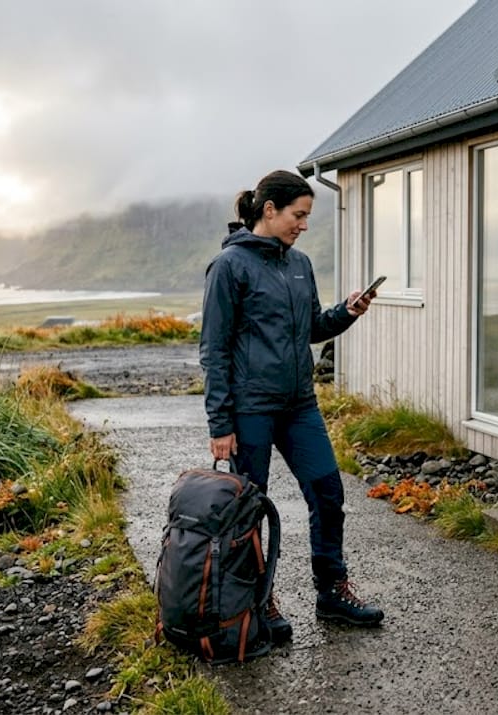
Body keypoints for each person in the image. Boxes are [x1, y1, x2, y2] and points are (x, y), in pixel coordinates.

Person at [199, 169, 384, 642]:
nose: (303, 225)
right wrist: (220, 423)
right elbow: (214, 349)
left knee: (328, 492)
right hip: (251, 408)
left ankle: (332, 591)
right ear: (269, 210)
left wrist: (346, 312)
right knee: (250, 508)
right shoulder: (229, 267)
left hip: (300, 403)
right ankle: (257, 600)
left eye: (306, 217)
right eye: (298, 215)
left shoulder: (299, 264)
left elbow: (312, 328)